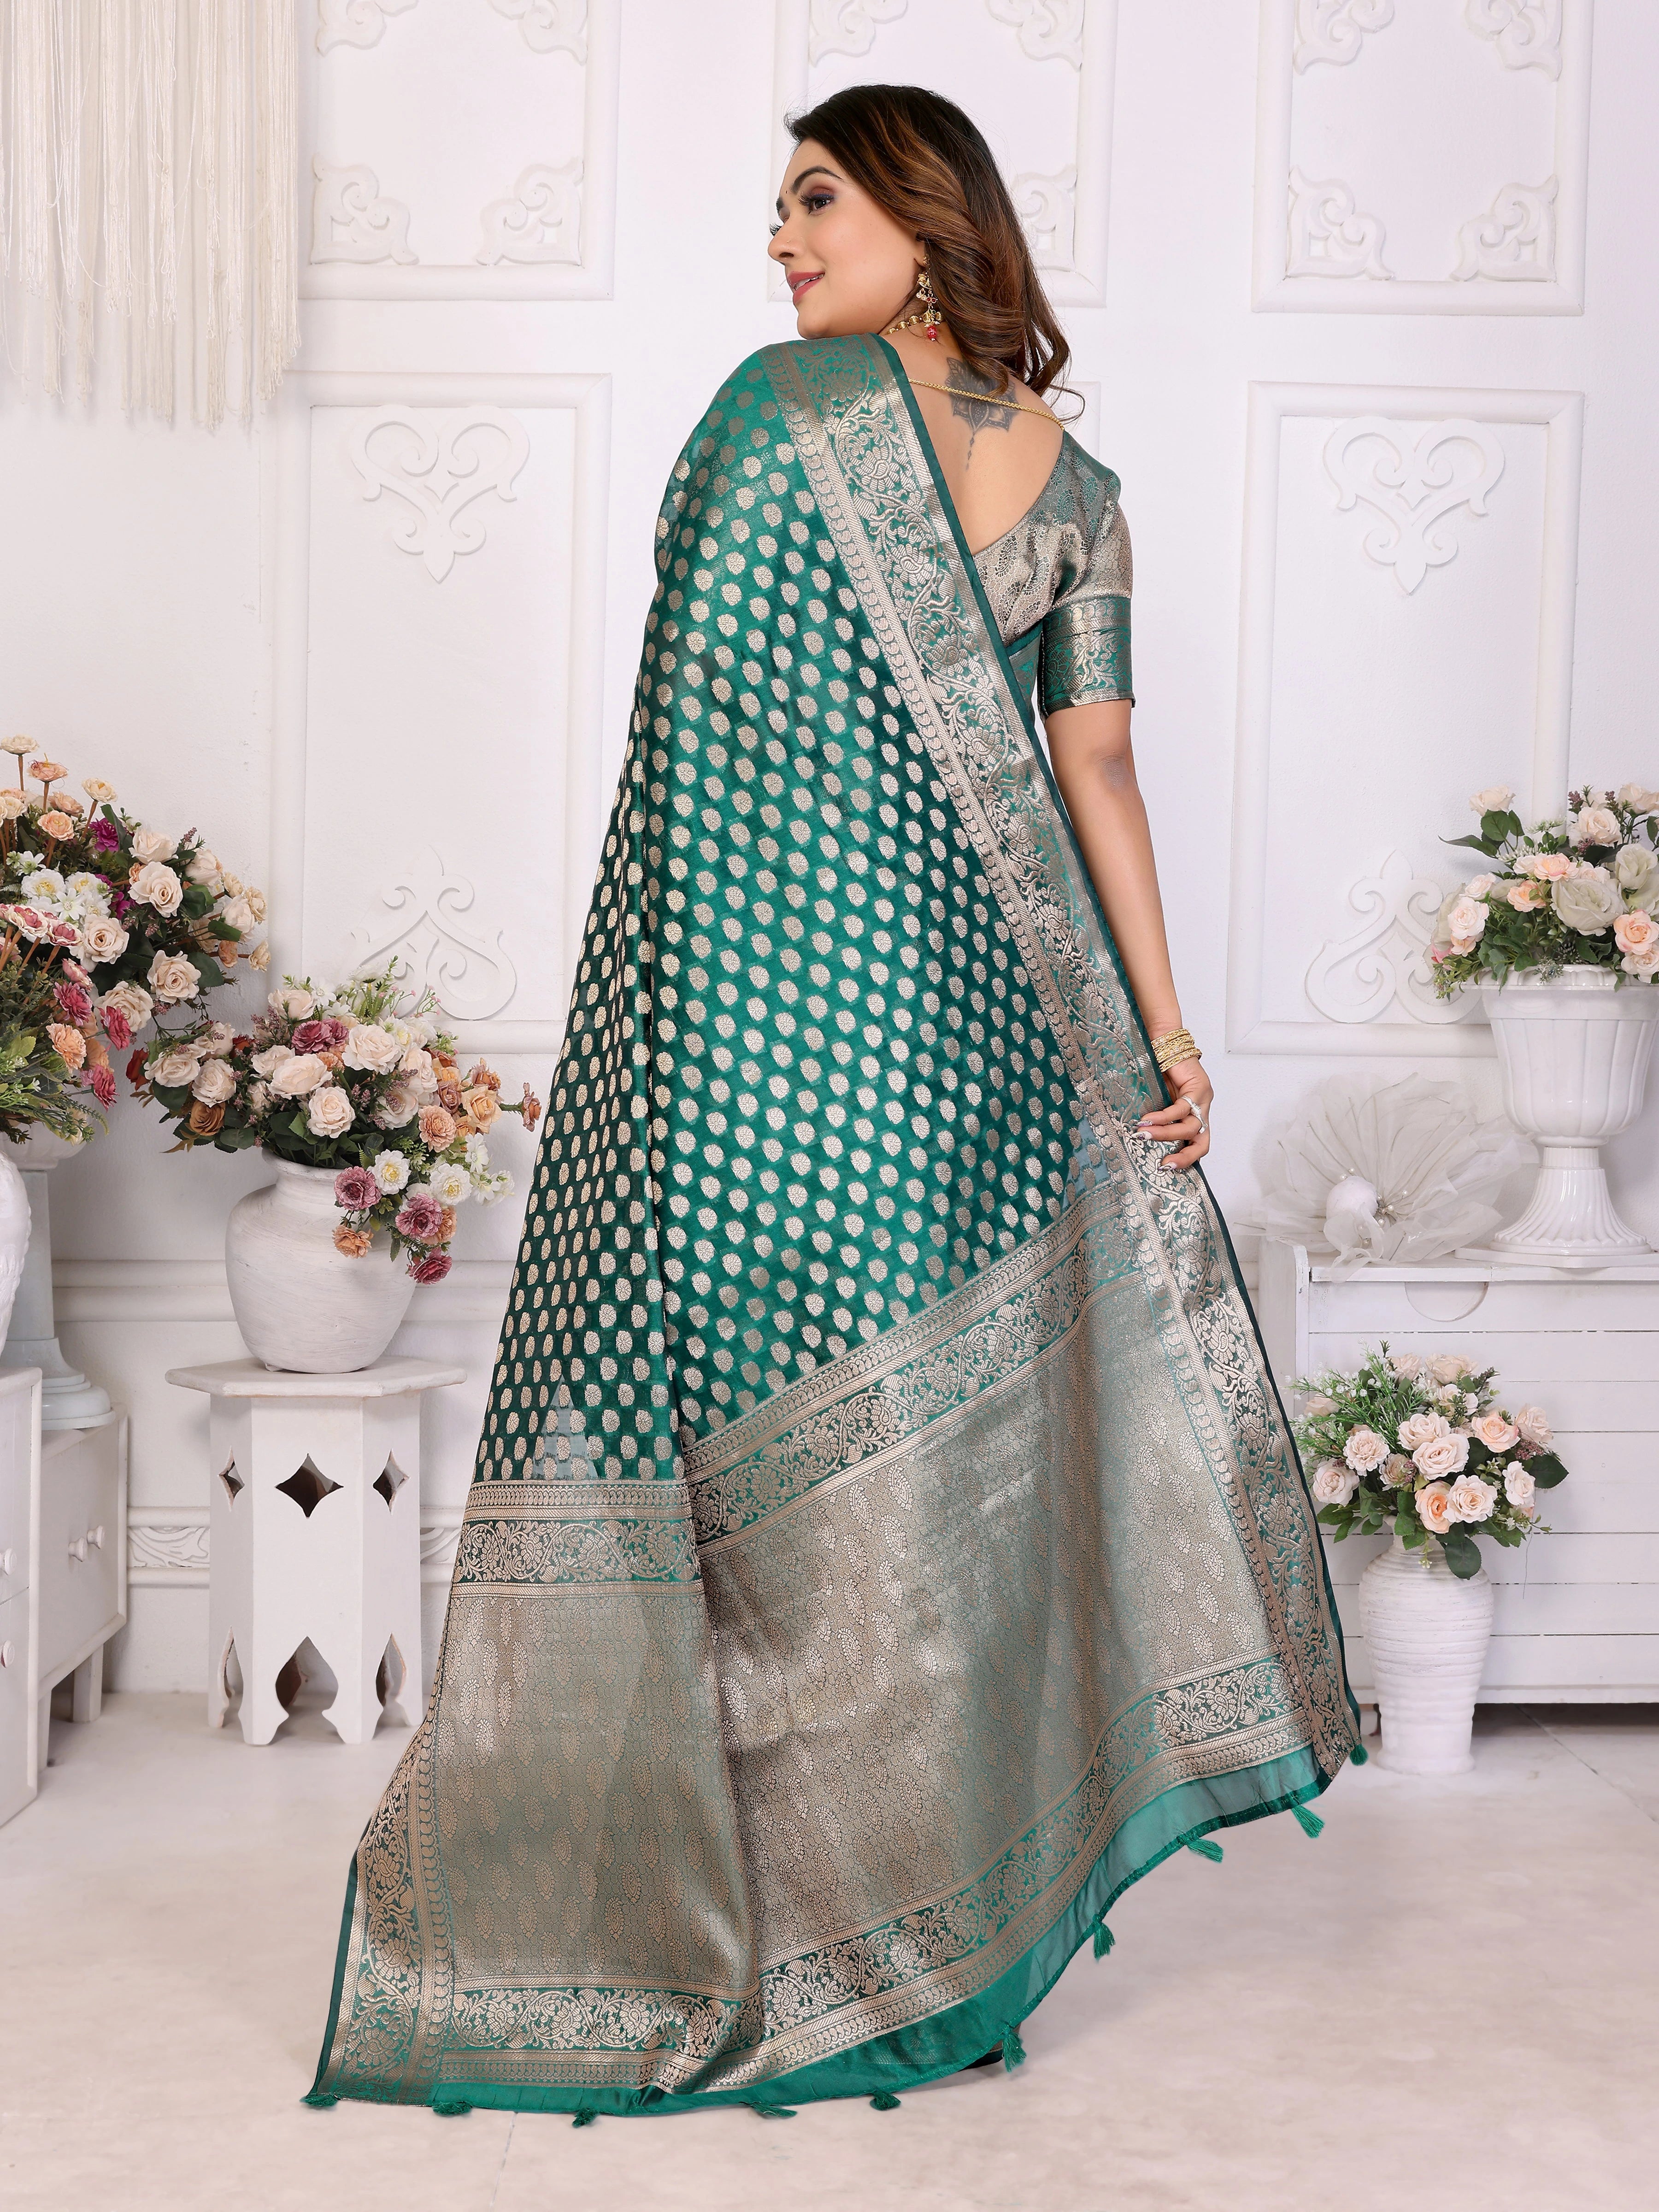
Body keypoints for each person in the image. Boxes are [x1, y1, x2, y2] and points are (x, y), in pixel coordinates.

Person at [308, 83, 1358, 2124]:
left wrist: (658, 1033)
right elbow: (1100, 770)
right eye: (780, 211)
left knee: (750, 1478)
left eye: (812, 199)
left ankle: (750, 1931)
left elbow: (690, 749)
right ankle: (922, 1960)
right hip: (979, 1056)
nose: (779, 242)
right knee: (931, 1503)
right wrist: (1165, 1041)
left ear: (921, 212)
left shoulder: (775, 415)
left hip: (765, 1039)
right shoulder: (1085, 485)